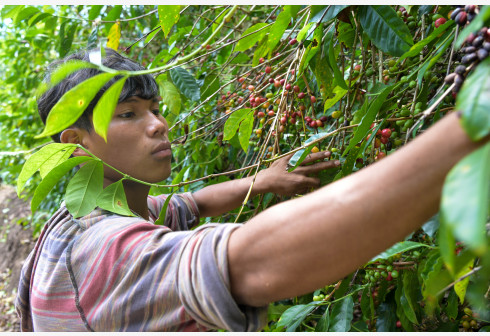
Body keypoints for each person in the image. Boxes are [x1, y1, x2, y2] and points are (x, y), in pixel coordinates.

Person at [15, 48, 489, 332]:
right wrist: (470, 128)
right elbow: (252, 263)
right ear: (76, 144)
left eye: (155, 108)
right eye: (128, 114)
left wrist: (261, 182)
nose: (159, 125)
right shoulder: (102, 252)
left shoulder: (94, 216)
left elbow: (189, 203)